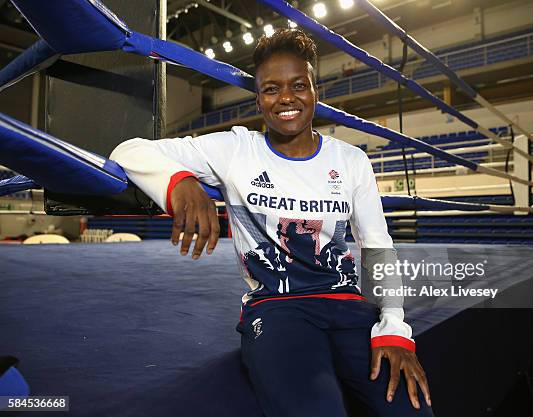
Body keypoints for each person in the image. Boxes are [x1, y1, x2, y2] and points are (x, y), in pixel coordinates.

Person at [110, 29, 432, 417]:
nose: (286, 99)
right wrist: (181, 183)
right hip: (277, 309)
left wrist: (394, 325)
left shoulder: (350, 161)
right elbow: (129, 150)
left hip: (349, 307)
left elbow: (378, 246)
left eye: (298, 85)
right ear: (259, 98)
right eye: (271, 89)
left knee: (411, 411)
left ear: (315, 90)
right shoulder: (235, 150)